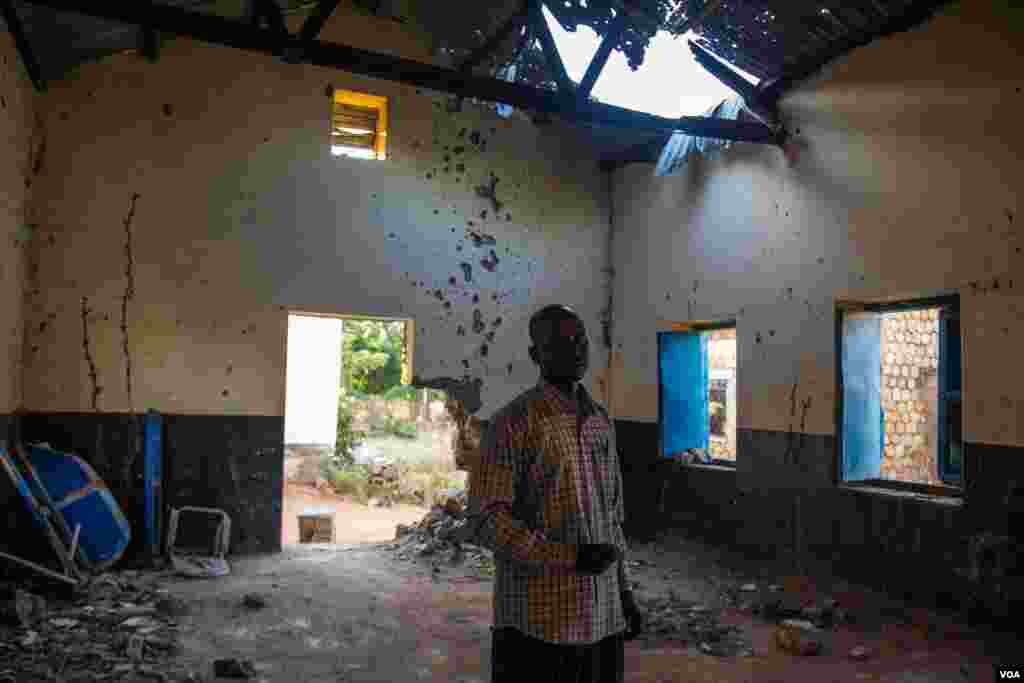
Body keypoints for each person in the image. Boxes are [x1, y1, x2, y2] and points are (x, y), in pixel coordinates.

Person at [465, 304, 643, 683]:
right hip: (539, 621)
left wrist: (624, 591)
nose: (575, 349)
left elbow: (612, 517)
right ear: (536, 354)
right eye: (560, 342)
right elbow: (485, 520)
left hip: (602, 616)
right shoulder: (512, 423)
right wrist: (568, 557)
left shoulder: (600, 421)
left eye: (580, 340)